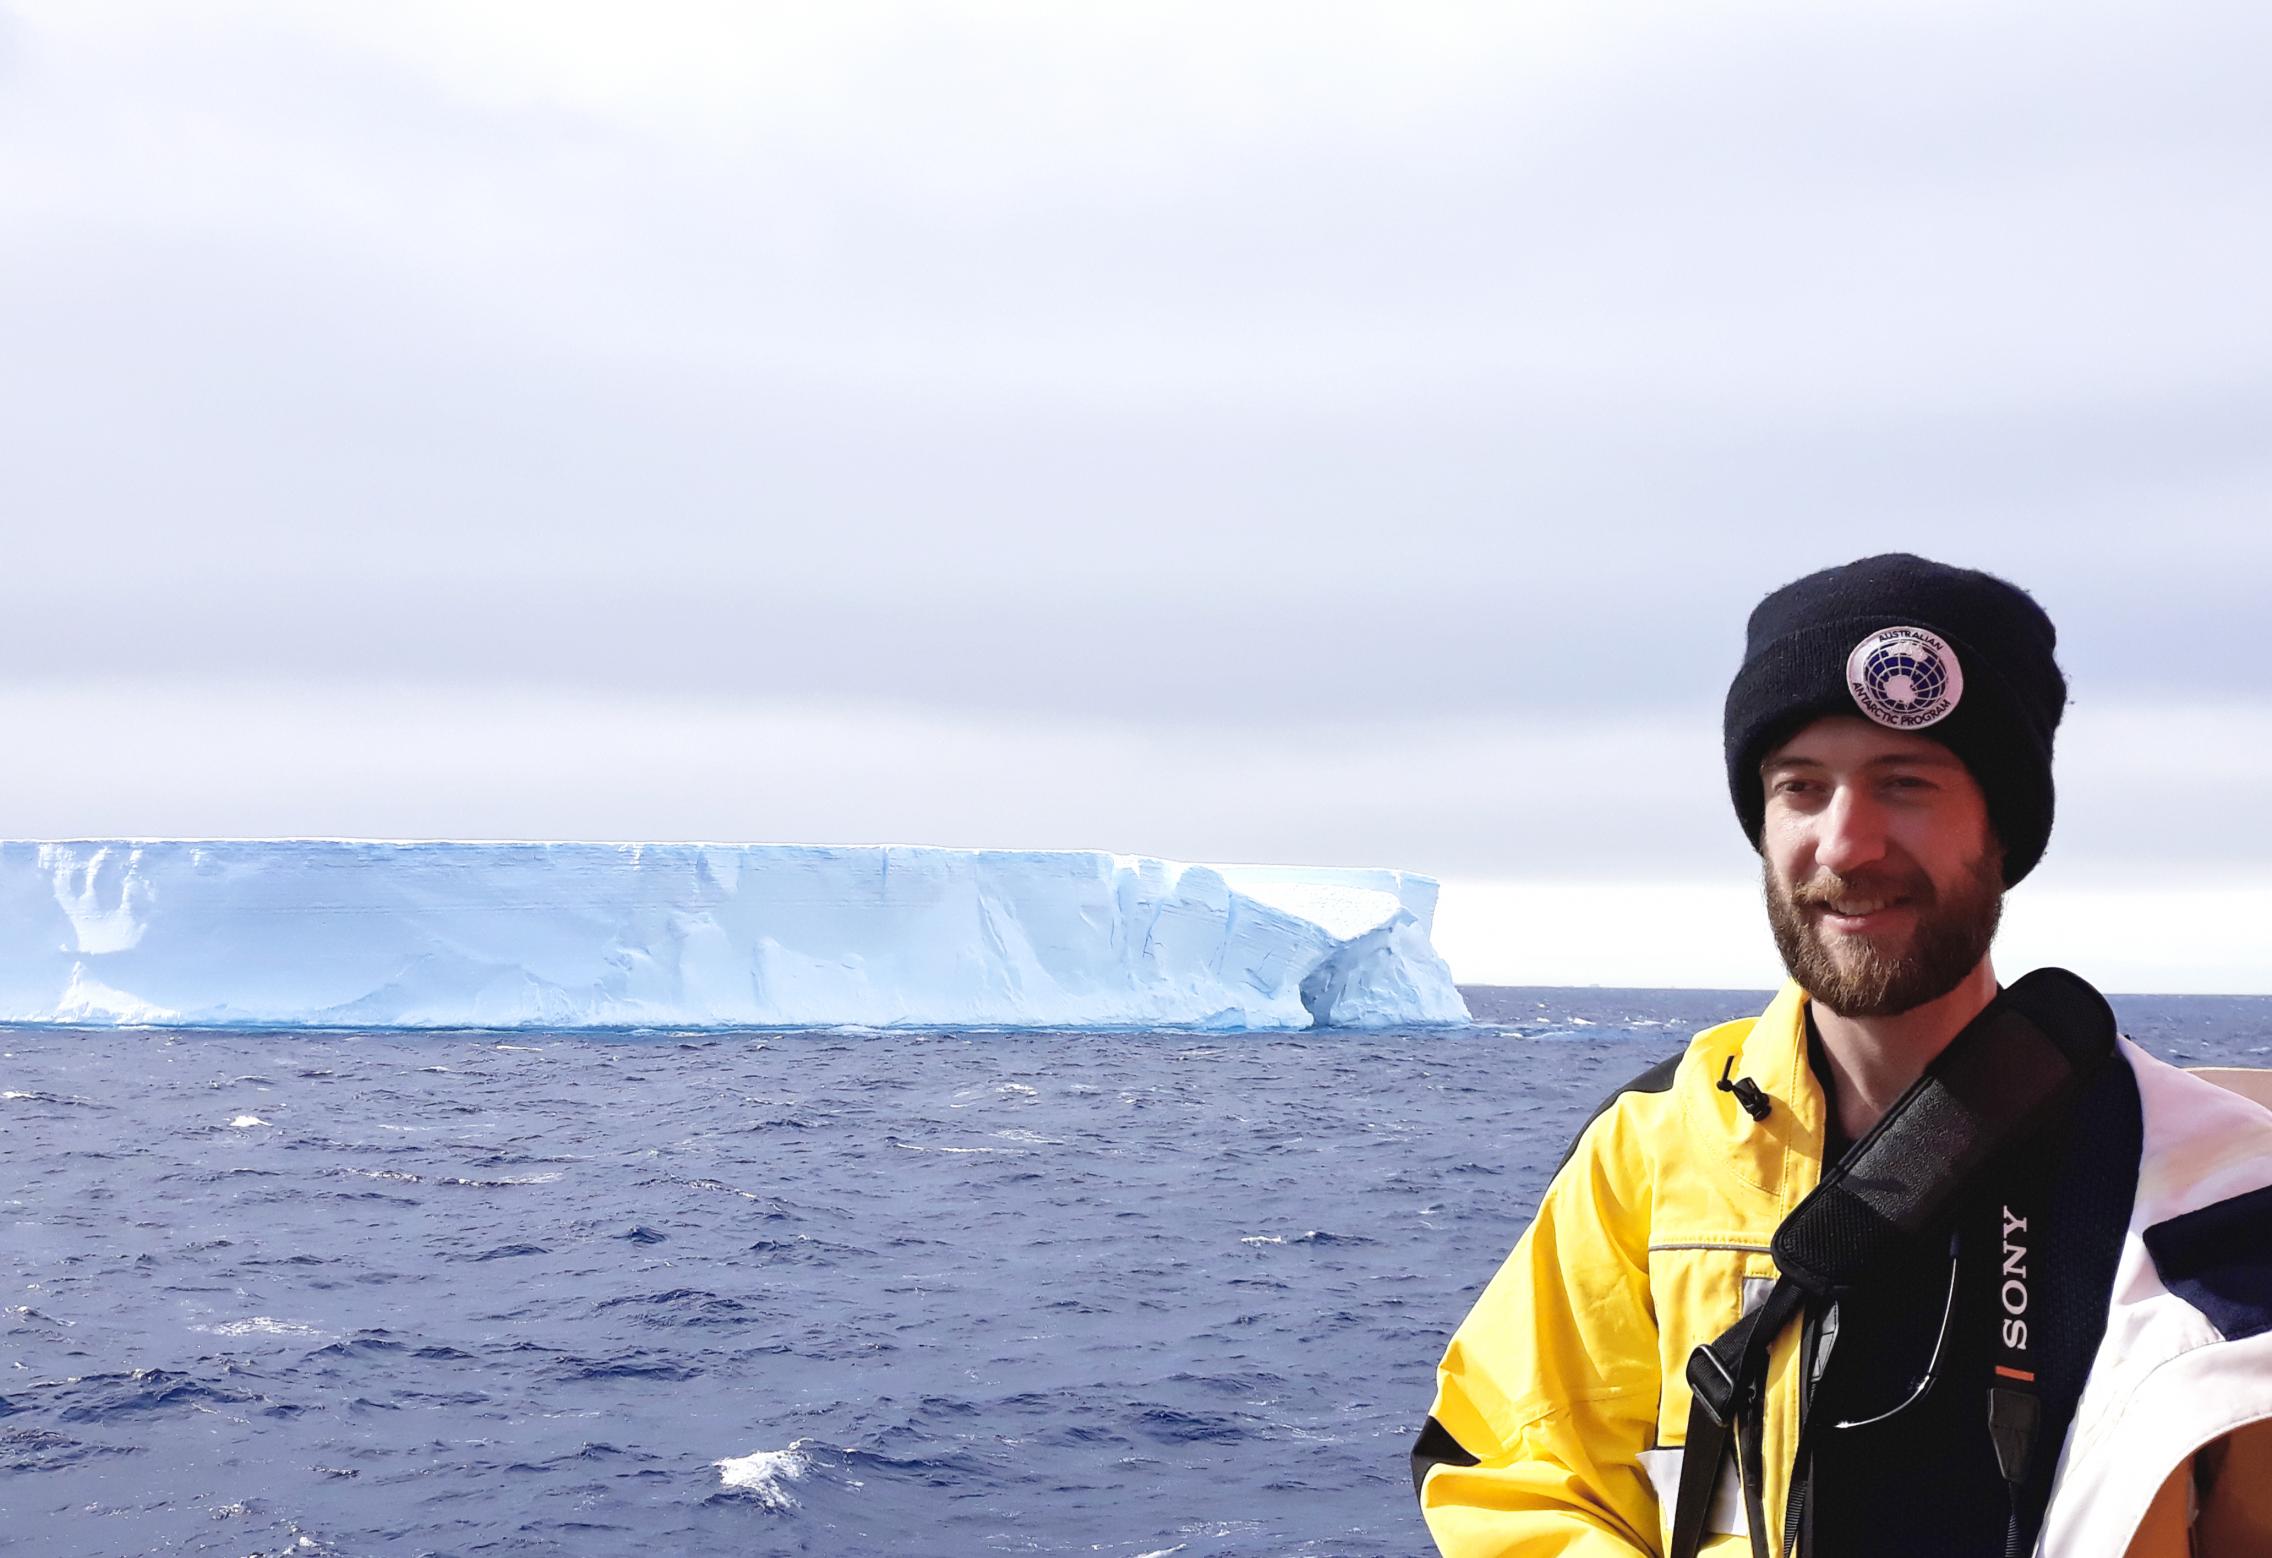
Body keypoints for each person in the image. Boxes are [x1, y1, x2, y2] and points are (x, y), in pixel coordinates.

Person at [1411, 554, 2272, 1557]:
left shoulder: (2208, 1184)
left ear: (2003, 831)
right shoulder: (1651, 1156)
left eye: (1904, 784)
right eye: (1801, 788)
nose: (1846, 842)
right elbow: (1514, 1475)